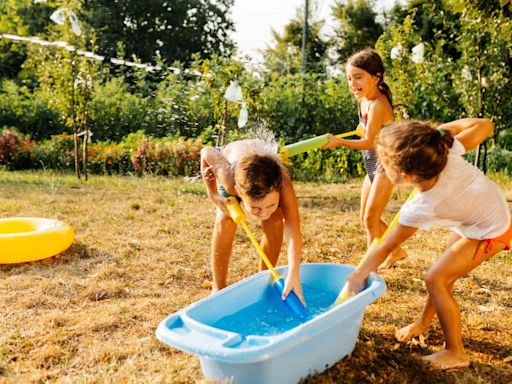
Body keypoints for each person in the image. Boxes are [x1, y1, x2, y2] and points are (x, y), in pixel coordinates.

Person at [345, 118, 511, 370]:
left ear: (407, 175)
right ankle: (423, 323)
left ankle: (455, 352)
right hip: (478, 216)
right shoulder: (445, 151)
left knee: (436, 279)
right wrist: (439, 133)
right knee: (443, 274)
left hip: (490, 230)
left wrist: (357, 276)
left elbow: (386, 246)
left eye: (384, 164)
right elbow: (485, 125)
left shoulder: (422, 205)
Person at [322, 48, 407, 269]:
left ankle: (368, 268)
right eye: (350, 78)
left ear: (376, 77)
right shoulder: (363, 101)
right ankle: (396, 249)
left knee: (371, 218)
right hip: (371, 162)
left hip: (386, 164)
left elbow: (370, 141)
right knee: (365, 217)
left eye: (358, 77)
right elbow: (365, 129)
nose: (352, 83)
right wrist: (360, 128)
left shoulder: (379, 104)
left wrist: (339, 142)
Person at [200, 139, 305, 304]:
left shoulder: (283, 183)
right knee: (226, 218)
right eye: (256, 208)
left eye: (270, 205)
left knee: (275, 220)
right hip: (232, 160)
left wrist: (293, 272)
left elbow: (293, 229)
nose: (263, 213)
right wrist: (213, 195)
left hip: (262, 163)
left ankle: (263, 281)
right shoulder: (230, 181)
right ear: (239, 193)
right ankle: (218, 286)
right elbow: (206, 152)